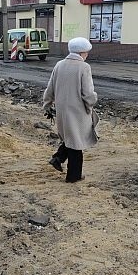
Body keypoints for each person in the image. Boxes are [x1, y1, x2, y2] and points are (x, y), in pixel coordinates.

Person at [43, 37, 98, 183]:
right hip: (78, 111)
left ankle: (58, 158)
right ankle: (73, 176)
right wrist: (91, 103)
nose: (87, 55)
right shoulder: (84, 67)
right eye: (86, 52)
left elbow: (50, 88)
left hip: (62, 110)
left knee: (71, 138)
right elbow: (88, 93)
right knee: (76, 143)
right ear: (82, 52)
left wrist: (47, 104)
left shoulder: (59, 65)